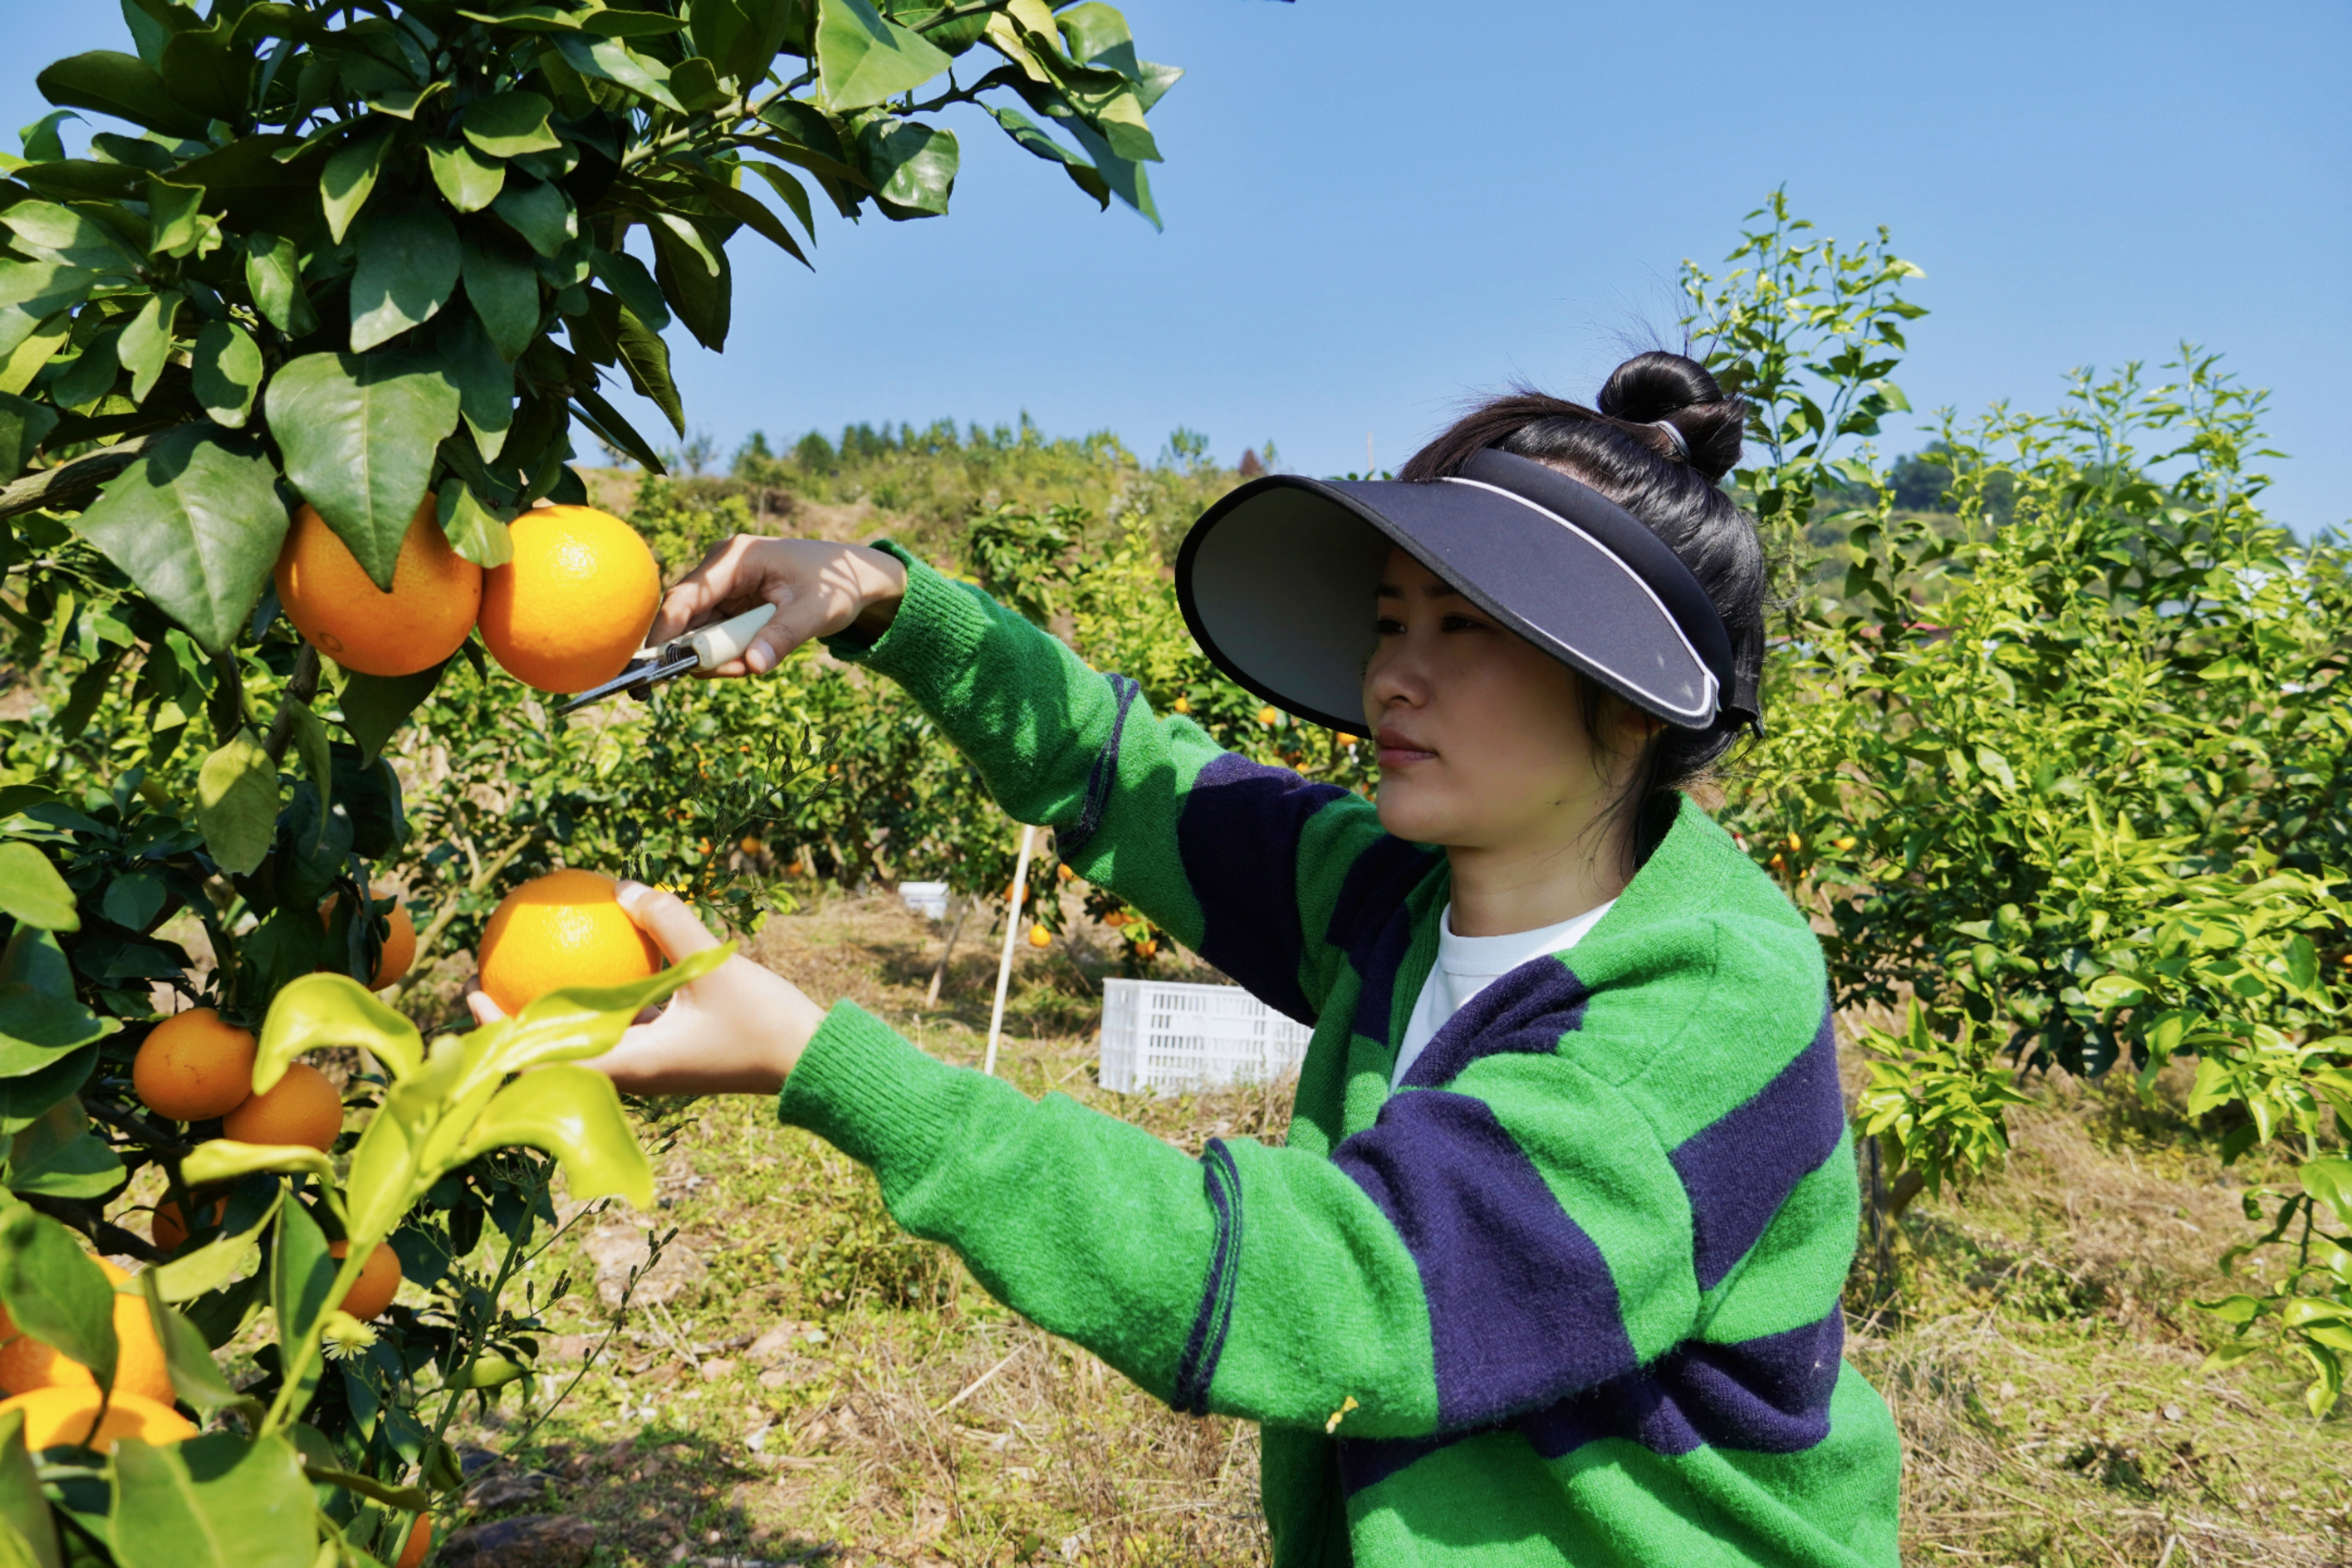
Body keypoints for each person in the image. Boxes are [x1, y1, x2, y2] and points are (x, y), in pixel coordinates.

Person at [474, 351, 1902, 1566]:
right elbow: (1137, 783)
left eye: (1468, 629)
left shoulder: (1704, 994)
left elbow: (1354, 1292)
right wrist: (889, 608)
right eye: (1394, 618)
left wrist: (827, 1064)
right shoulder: (1405, 901)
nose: (1392, 673)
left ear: (1636, 706)